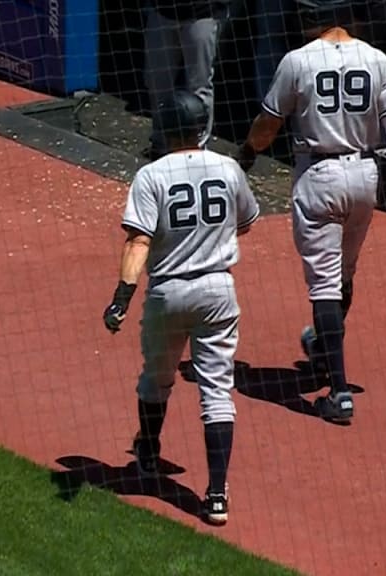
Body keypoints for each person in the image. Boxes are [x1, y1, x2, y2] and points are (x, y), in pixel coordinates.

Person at [236, 0, 386, 424]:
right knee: (344, 275)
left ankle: (337, 392)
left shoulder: (296, 61)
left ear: (310, 18)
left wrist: (246, 153)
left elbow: (268, 123)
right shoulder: (376, 58)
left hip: (318, 177)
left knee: (323, 285)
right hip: (365, 179)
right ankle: (322, 348)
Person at [103, 90, 260, 525]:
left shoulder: (151, 176)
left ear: (165, 129)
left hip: (168, 292)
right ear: (202, 127)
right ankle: (215, 495)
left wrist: (120, 299)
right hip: (217, 290)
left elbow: (138, 241)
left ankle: (149, 456)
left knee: (156, 378)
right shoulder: (228, 168)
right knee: (216, 391)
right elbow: (245, 222)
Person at [142, 0, 230, 160]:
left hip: (202, 14)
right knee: (157, 82)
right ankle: (161, 143)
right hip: (162, 12)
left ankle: (199, 147)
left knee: (199, 86)